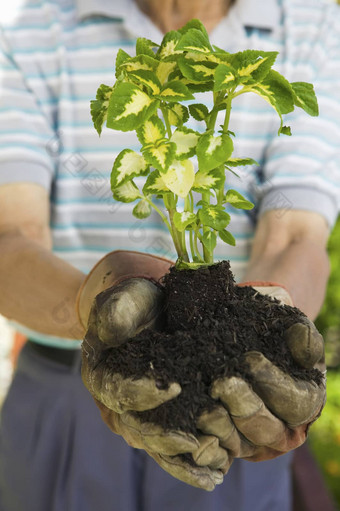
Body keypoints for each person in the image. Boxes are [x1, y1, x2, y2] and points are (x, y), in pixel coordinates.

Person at [0, 0, 339, 510]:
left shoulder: (312, 24)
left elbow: (294, 236)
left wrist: (278, 320)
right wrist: (97, 306)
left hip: (231, 407)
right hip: (66, 387)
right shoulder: (30, 24)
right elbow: (11, 234)